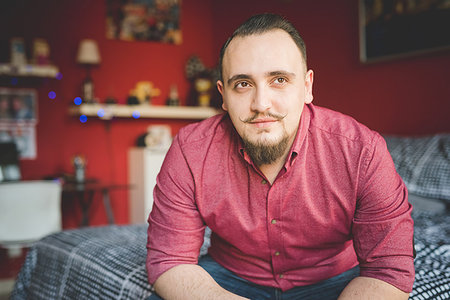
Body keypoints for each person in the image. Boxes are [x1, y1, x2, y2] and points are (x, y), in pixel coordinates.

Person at [146, 13, 414, 299]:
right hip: (229, 277)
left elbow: (388, 272)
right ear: (223, 95)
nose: (261, 104)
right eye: (243, 84)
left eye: (279, 80)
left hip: (334, 278)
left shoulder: (362, 150)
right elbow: (169, 260)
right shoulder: (191, 148)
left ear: (308, 86)